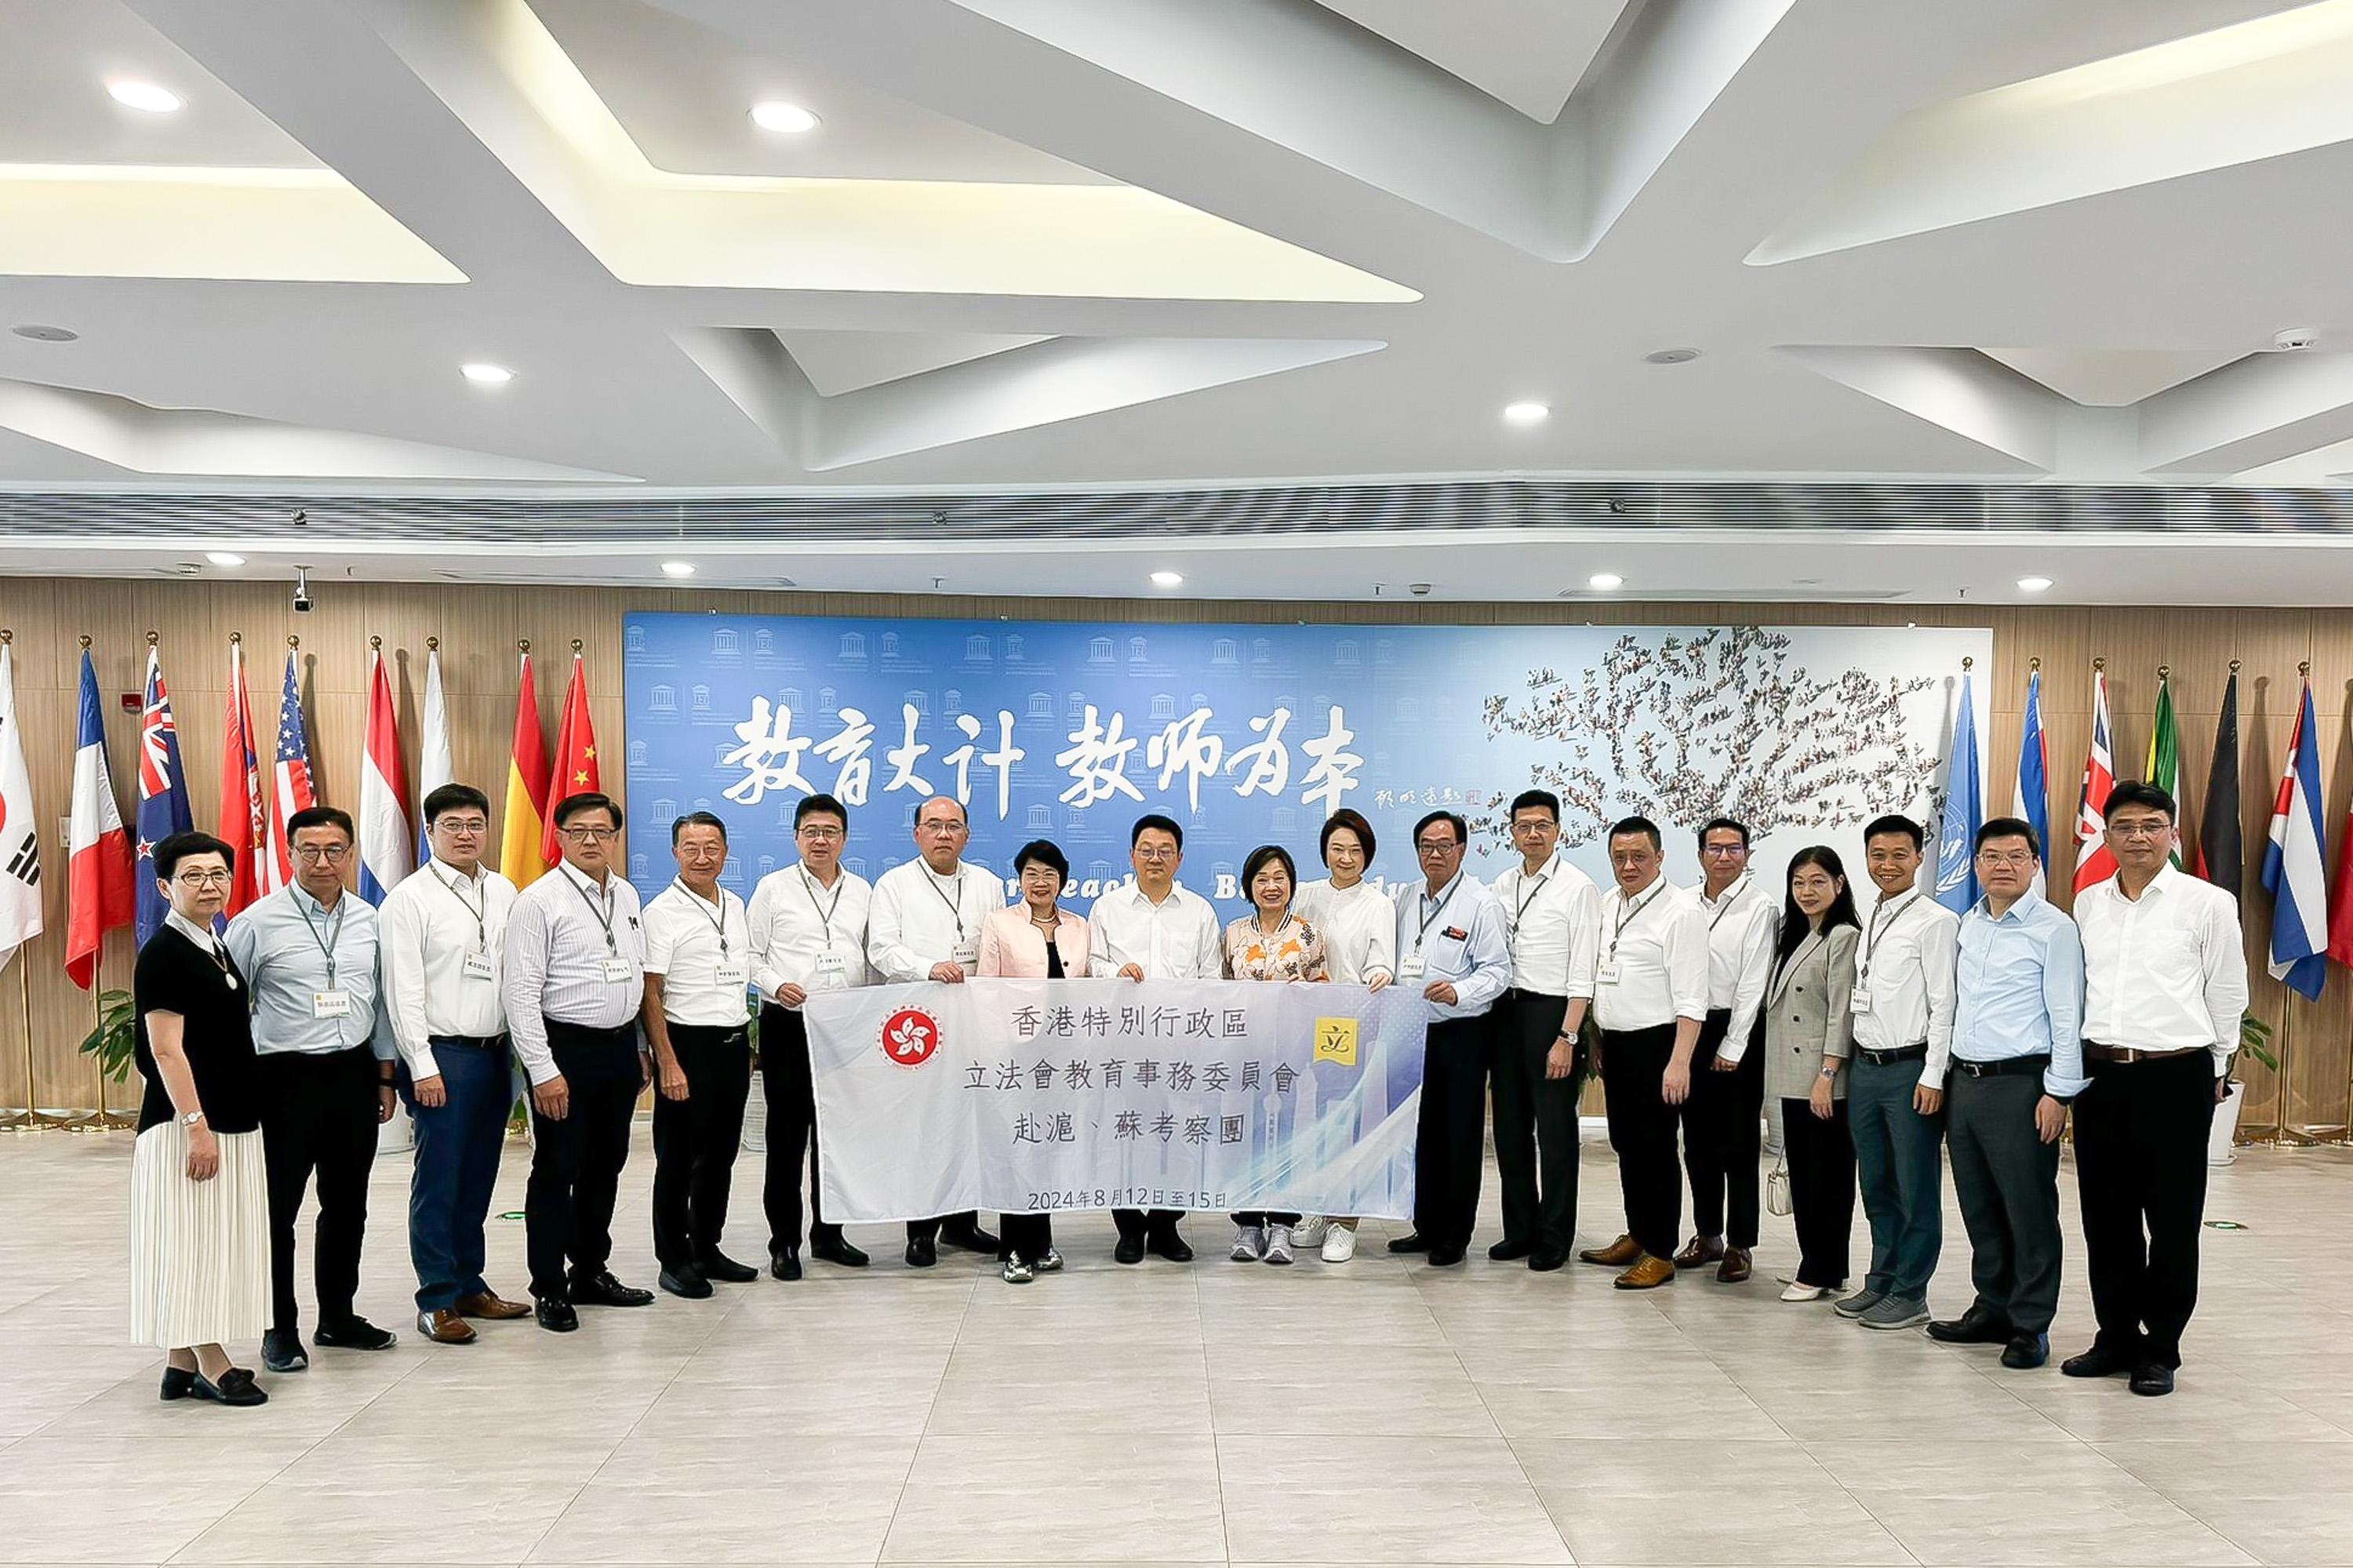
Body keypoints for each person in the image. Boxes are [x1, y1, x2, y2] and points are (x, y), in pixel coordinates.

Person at [2067, 780, 2246, 1397]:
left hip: (2176, 1073)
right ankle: (2115, 1335)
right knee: (2106, 1217)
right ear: (2108, 834)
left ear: (2172, 832)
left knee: (2173, 1218)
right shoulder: (2089, 903)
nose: (2137, 836)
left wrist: (2218, 1066)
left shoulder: (2208, 903)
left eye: (2151, 824)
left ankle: (2161, 1347)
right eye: (2125, 825)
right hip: (2103, 1075)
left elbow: (2227, 991)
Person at [224, 805, 395, 1373]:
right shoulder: (256, 921)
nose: (323, 861)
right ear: (290, 853)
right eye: (310, 850)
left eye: (335, 850)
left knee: (348, 1205)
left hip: (352, 1074)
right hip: (283, 1079)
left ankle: (338, 1316)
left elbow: (381, 1004)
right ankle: (279, 1327)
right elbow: (228, 1010)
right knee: (278, 1211)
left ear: (351, 853)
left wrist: (385, 1072)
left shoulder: (371, 918)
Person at [1929, 817, 2084, 1371]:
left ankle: (2030, 1323)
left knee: (2029, 1208)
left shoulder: (2053, 928)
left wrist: (2058, 1091)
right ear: (1975, 864)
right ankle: (1991, 1305)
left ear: (2035, 864)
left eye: (2016, 856)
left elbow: (2067, 1015)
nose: (2003, 865)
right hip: (1965, 1084)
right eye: (1992, 856)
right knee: (1980, 1204)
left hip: (2023, 1085)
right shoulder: (1968, 925)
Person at [379, 783, 531, 1346]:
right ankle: (436, 1297)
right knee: (439, 1182)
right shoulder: (409, 899)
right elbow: (403, 992)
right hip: (442, 1055)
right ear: (430, 831)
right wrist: (420, 1065)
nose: (466, 834)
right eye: (453, 825)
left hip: (495, 1056)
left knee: (478, 1179)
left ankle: (471, 1283)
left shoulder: (505, 890)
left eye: (475, 823)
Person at [502, 791, 656, 1331]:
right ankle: (548, 1285)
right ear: (560, 837)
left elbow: (633, 972)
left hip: (617, 1048)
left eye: (602, 831)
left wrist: (639, 1046)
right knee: (556, 1168)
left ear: (616, 837)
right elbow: (519, 992)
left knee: (606, 1165)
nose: (591, 840)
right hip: (564, 1048)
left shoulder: (628, 895)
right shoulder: (538, 901)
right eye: (579, 831)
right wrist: (542, 1070)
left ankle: (589, 1270)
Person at [131, 831, 270, 1407]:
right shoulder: (164, 952)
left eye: (217, 873)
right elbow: (166, 1049)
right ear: (165, 885)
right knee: (191, 1241)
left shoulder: (214, 942)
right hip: (188, 1124)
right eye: (193, 875)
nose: (209, 884)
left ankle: (179, 1364)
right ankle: (213, 1360)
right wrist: (195, 1125)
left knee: (208, 1239)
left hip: (229, 1116)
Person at [869, 795, 1003, 1267]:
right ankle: (921, 1229)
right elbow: (881, 950)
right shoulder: (894, 885)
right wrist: (929, 967)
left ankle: (962, 1223)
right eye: (934, 826)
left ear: (967, 834)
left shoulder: (987, 882)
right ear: (917, 834)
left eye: (953, 826)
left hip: (975, 1019)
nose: (944, 834)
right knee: (925, 1127)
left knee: (970, 1123)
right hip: (919, 1022)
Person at [747, 792, 873, 1280]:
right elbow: (750, 956)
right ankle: (784, 1242)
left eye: (830, 832)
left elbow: (872, 956)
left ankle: (829, 1234)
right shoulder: (773, 889)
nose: (821, 841)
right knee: (786, 1137)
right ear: (797, 836)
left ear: (844, 838)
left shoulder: (862, 890)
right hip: (789, 1023)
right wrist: (777, 985)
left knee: (836, 1137)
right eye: (811, 832)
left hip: (846, 1024)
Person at [1839, 814, 1958, 1331]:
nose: (1887, 864)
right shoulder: (1877, 914)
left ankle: (1912, 1291)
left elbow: (1944, 1004)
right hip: (1867, 1067)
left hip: (1910, 1069)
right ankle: (1882, 1277)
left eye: (1898, 855)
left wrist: (1934, 1074)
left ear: (1917, 857)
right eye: (1877, 855)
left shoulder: (1934, 921)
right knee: (1877, 1180)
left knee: (1915, 1185)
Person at [1579, 816, 1707, 1289]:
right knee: (1625, 1145)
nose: (1628, 866)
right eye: (1619, 857)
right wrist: (1595, 1037)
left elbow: (1693, 997)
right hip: (1615, 1043)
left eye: (1638, 857)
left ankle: (1660, 1251)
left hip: (1658, 1046)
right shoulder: (1609, 903)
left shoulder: (1681, 911)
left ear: (1659, 857)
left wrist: (1679, 1062)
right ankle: (1637, 1233)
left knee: (1655, 1150)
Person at [1088, 813, 1222, 1264]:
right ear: (1131, 855)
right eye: (1146, 850)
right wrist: (1115, 972)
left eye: (1165, 851)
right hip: (1122, 1047)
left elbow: (1209, 978)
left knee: (1180, 1135)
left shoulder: (1200, 911)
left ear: (1180, 858)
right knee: (1122, 1133)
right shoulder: (1108, 908)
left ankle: (1166, 1226)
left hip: (1181, 1048)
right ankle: (1128, 1229)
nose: (1155, 859)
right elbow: (1090, 965)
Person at [1385, 810, 1511, 1267]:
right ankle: (1427, 1225)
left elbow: (1499, 971)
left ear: (1462, 849)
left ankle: (1455, 1235)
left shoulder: (1481, 903)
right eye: (1426, 846)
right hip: (1412, 1030)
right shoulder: (1405, 898)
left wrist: (1460, 991)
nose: (1434, 854)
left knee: (1459, 1135)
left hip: (1462, 1032)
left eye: (1444, 846)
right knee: (1423, 1133)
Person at [642, 811, 758, 1300]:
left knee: (720, 1156)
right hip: (685, 1045)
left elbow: (741, 974)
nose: (702, 856)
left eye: (712, 846)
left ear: (726, 851)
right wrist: (666, 1060)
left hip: (731, 1044)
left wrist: (748, 1042)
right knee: (678, 1159)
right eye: (691, 847)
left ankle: (707, 1245)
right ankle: (673, 1258)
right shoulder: (661, 912)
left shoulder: (734, 902)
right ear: (675, 852)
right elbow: (650, 993)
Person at [1486, 789, 1598, 1272]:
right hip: (1503, 1013)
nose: (1532, 833)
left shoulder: (1578, 887)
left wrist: (1568, 1036)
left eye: (1542, 825)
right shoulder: (1501, 884)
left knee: (1555, 1131)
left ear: (1558, 830)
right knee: (1509, 1129)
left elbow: (1583, 971)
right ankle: (1520, 1230)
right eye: (1523, 825)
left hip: (1551, 1014)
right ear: (1511, 832)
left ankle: (1554, 1236)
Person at [975, 838, 1089, 1283]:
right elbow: (986, 985)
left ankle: (1041, 1242)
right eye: (1031, 874)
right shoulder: (1000, 923)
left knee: (1047, 1144)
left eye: (1049, 875)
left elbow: (1092, 981)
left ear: (1062, 880)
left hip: (1065, 1051)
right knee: (1015, 1144)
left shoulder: (1080, 926)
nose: (1040, 883)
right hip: (1015, 1049)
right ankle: (1014, 1248)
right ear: (1019, 879)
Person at [1291, 807, 1395, 1263]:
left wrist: (1379, 974)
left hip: (1349, 1019)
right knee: (1314, 1120)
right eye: (1337, 849)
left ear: (1367, 855)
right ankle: (1320, 1206)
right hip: (1304, 1018)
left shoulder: (1378, 903)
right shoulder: (1306, 896)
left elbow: (1380, 959)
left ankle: (1345, 1221)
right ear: (1325, 852)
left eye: (1355, 850)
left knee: (1345, 1118)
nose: (1346, 858)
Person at [1220, 844, 1329, 1265]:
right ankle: (1249, 1224)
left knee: (1288, 1132)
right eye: (1262, 879)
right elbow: (1224, 988)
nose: (1271, 886)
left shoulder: (1308, 934)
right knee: (1248, 1134)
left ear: (1291, 885)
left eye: (1279, 878)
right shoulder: (1233, 933)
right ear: (1249, 885)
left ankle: (1282, 1223)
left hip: (1293, 1051)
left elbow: (1323, 989)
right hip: (1246, 1052)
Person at [1679, 817, 1777, 1283]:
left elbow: (1754, 981)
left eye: (1733, 849)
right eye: (1714, 849)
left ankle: (1741, 1243)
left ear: (1747, 855)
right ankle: (1706, 1233)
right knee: (1696, 1141)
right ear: (1700, 856)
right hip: (1690, 1026)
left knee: (1737, 1143)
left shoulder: (1761, 908)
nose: (1723, 857)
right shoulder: (1683, 903)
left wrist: (1735, 1043)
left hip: (1738, 1028)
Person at [1762, 847, 1860, 1302]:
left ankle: (1818, 1269)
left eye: (1818, 881)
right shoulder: (1797, 934)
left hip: (1823, 1080)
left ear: (1839, 885)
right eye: (1799, 882)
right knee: (1806, 1173)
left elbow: (1841, 1012)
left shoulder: (1842, 936)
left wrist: (1827, 1072)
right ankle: (1823, 1265)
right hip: (1791, 1074)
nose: (1807, 891)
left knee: (1826, 1178)